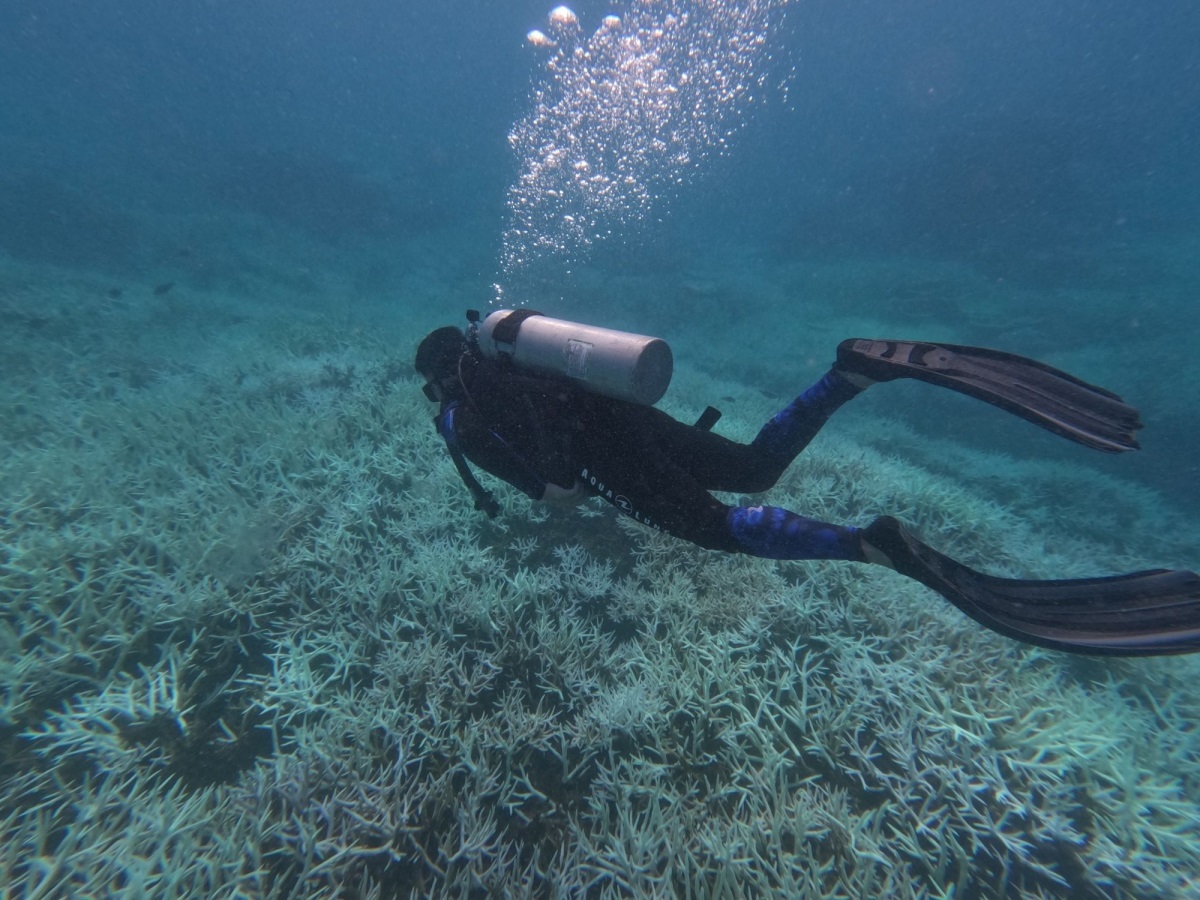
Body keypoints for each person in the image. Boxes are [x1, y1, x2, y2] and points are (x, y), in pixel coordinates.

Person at [415, 311, 1200, 656]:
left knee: (720, 529)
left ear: (434, 380)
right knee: (756, 465)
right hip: (630, 420)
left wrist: (571, 487)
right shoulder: (516, 350)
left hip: (601, 458)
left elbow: (556, 495)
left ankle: (872, 546)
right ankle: (850, 373)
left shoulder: (462, 417)